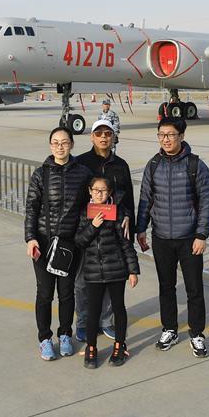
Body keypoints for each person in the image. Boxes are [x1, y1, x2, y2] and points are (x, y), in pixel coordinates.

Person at [136, 116, 209, 357]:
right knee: (166, 286)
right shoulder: (153, 165)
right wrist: (141, 229)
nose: (166, 139)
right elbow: (145, 199)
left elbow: (206, 203)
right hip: (161, 237)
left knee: (194, 288)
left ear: (181, 136)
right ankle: (169, 328)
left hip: (189, 237)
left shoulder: (195, 165)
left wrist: (201, 234)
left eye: (170, 135)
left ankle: (197, 333)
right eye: (161, 135)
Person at [24, 126, 92, 361]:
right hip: (43, 243)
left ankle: (65, 334)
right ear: (50, 145)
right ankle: (45, 338)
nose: (60, 146)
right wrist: (30, 238)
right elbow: (31, 208)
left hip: (68, 245)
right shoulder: (40, 174)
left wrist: (81, 234)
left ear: (72, 144)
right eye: (55, 142)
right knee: (44, 293)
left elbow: (88, 205)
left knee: (66, 293)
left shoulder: (83, 173)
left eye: (64, 142)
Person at [73, 119, 135, 342]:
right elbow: (76, 197)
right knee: (82, 282)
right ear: (91, 137)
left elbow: (128, 198)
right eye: (98, 133)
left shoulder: (121, 165)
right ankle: (82, 321)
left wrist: (129, 218)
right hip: (88, 229)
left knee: (111, 279)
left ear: (113, 137)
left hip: (112, 231)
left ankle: (106, 321)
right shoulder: (80, 163)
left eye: (107, 133)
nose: (103, 137)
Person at [75, 176, 140, 368]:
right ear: (89, 191)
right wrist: (92, 226)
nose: (99, 194)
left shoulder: (117, 213)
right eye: (95, 190)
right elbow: (79, 241)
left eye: (103, 190)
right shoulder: (84, 213)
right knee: (93, 310)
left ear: (110, 193)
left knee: (118, 308)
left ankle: (120, 345)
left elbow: (126, 244)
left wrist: (132, 270)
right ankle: (91, 347)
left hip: (116, 269)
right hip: (93, 271)